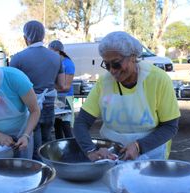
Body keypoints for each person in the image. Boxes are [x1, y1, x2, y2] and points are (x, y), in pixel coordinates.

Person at [74, 31, 180, 161]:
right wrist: (90, 150)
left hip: (151, 154)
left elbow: (170, 127)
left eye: (116, 63)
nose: (112, 70)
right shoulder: (104, 82)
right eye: (107, 65)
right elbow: (81, 122)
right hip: (113, 155)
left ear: (133, 57)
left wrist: (138, 146)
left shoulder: (158, 79)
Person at [10, 20, 65, 160]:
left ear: (25, 37)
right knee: (47, 142)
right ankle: (49, 171)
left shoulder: (17, 58)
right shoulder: (56, 58)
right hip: (49, 105)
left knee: (34, 146)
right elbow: (62, 84)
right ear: (43, 36)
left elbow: (11, 88)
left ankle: (37, 175)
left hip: (28, 107)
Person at [48, 40, 75, 139]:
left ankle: (72, 150)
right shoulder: (55, 63)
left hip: (66, 99)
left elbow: (66, 87)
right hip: (56, 98)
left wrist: (51, 87)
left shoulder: (68, 64)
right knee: (57, 127)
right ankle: (59, 150)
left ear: (58, 51)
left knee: (66, 127)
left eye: (52, 52)